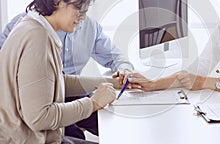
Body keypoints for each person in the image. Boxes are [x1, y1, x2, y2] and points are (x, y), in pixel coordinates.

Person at [0, 0, 118, 144]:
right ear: (57, 2)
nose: (84, 17)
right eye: (80, 8)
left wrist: (110, 82)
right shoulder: (36, 38)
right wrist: (93, 103)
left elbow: (57, 82)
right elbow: (40, 117)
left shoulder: (35, 27)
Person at [0, 13, 133, 140]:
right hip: (36, 100)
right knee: (73, 134)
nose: (82, 15)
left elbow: (114, 57)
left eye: (84, 8)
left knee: (114, 122)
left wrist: (122, 75)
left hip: (71, 90)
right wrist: (93, 103)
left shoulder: (89, 27)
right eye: (78, 7)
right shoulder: (31, 29)